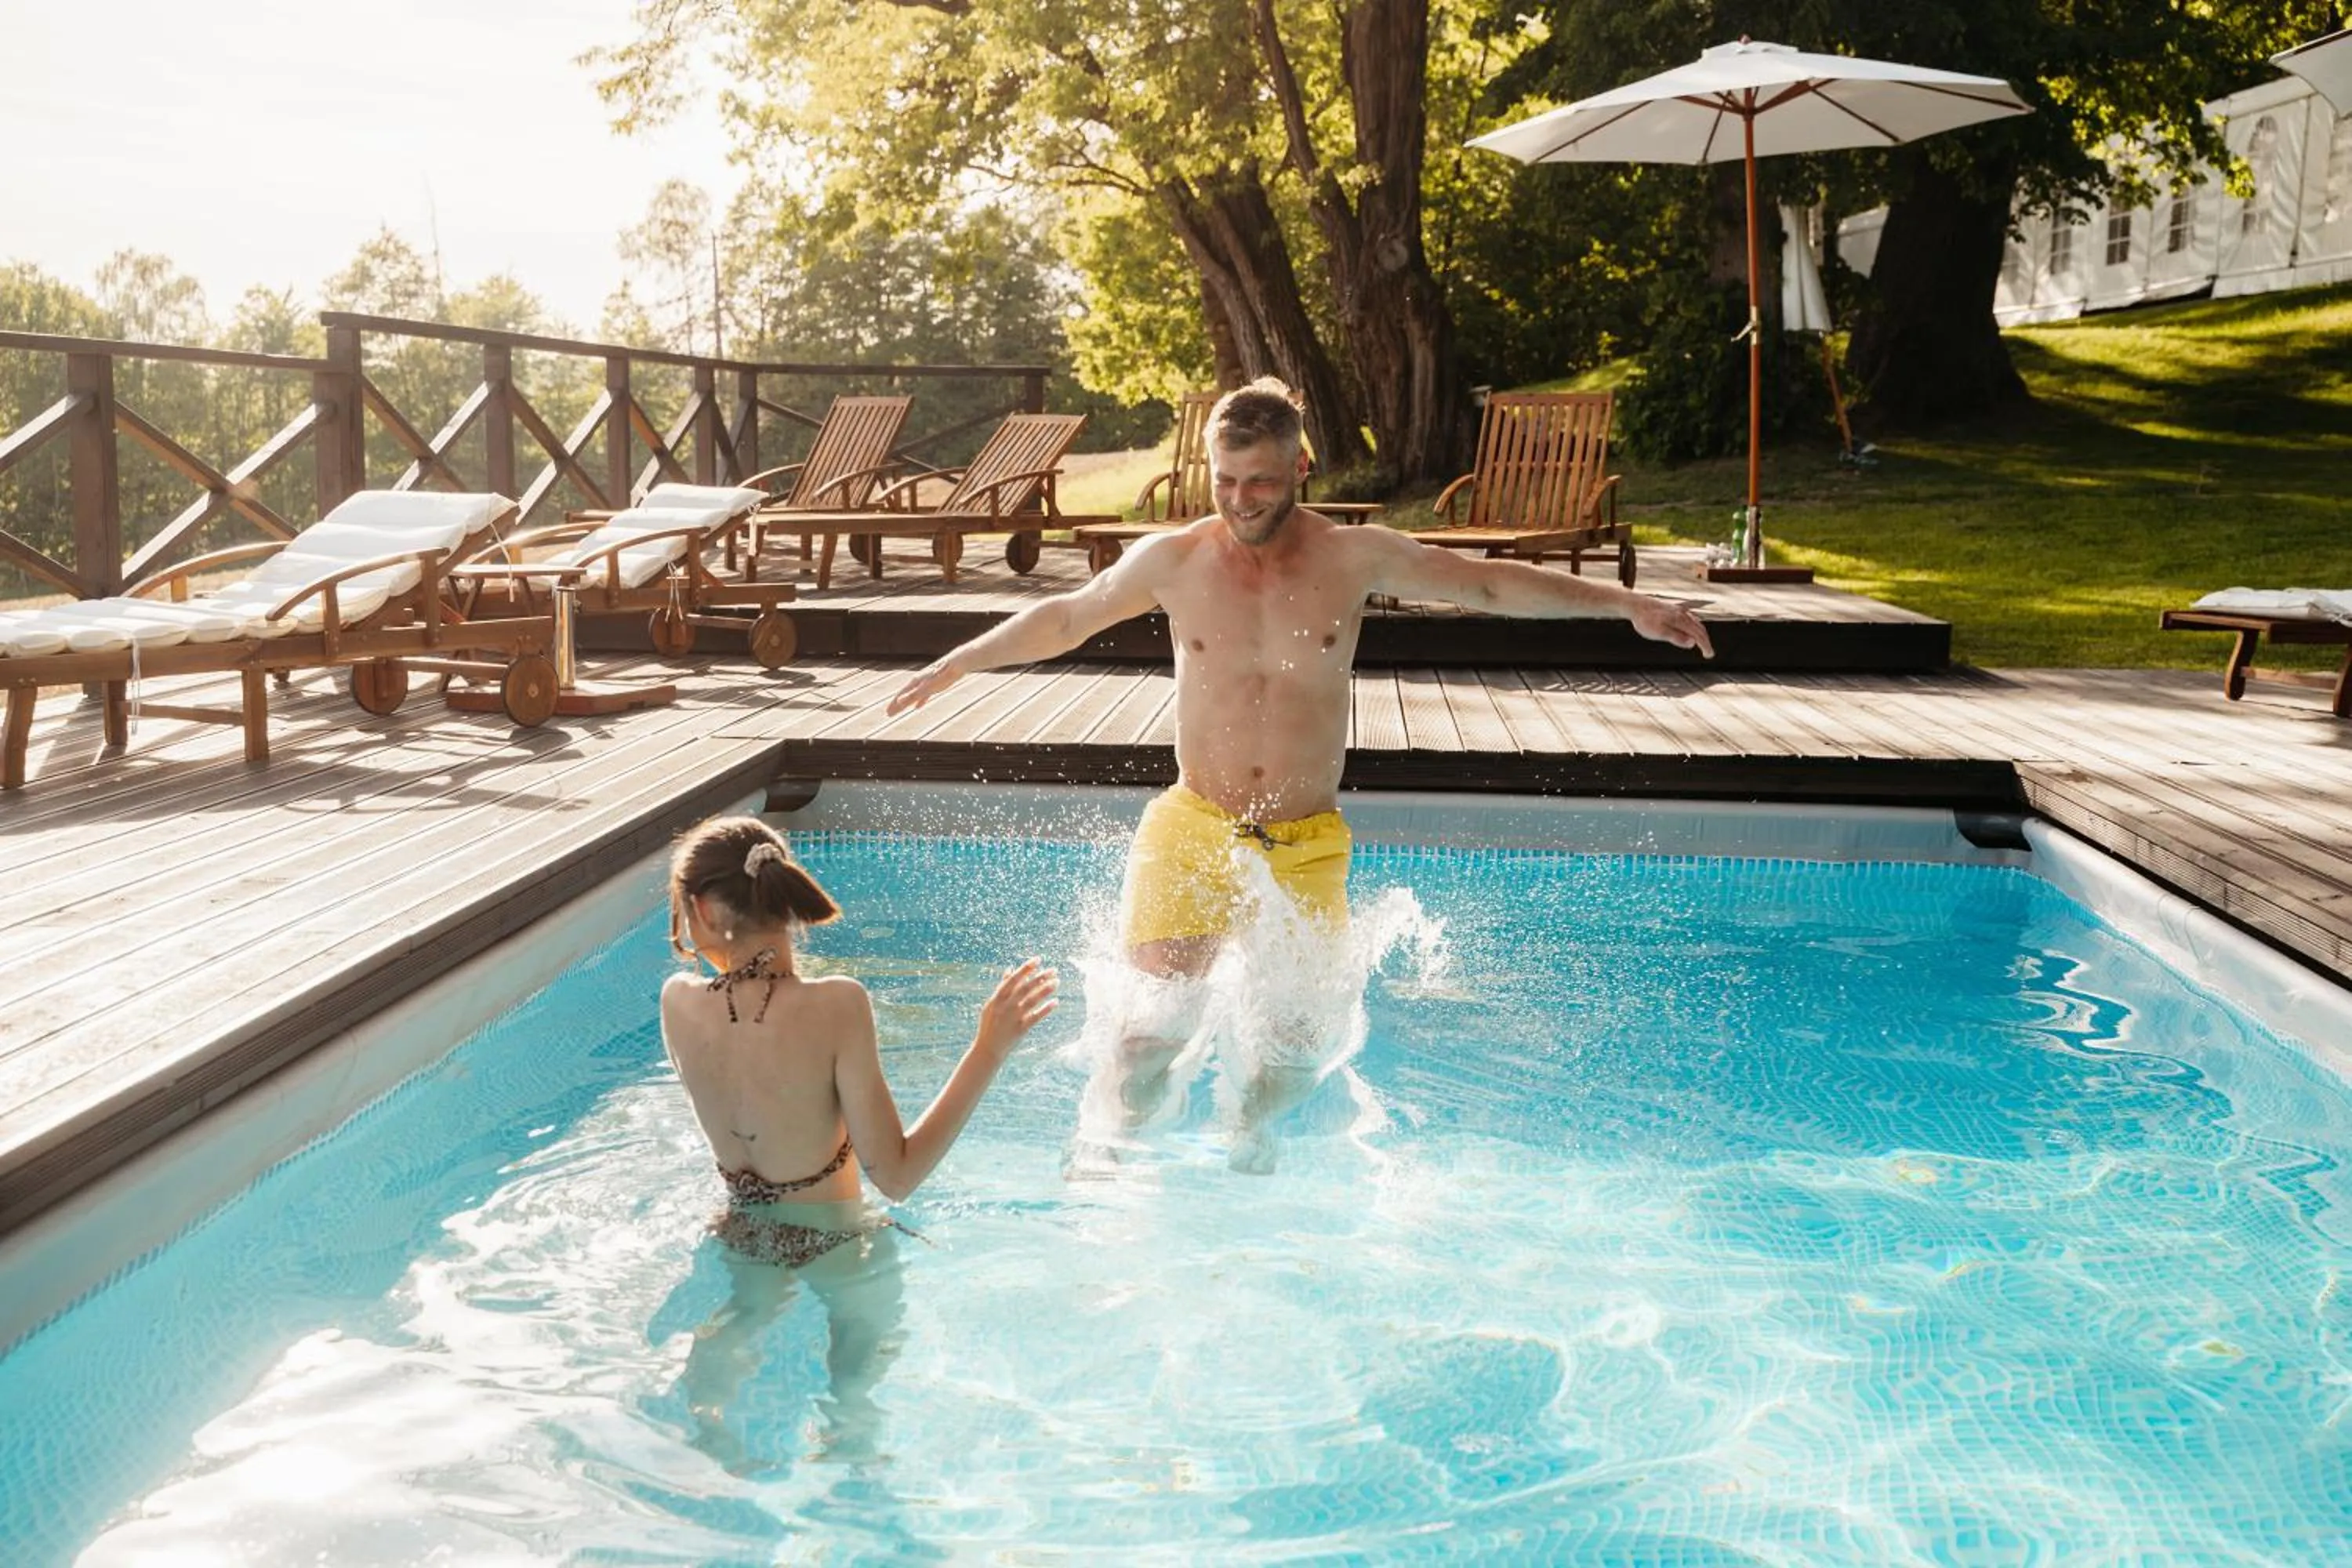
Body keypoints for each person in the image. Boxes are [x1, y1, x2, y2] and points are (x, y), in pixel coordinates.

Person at [886, 379, 1712, 1171]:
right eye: (1226, 481)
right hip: (1195, 823)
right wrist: (959, 662)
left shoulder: (1353, 558)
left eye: (1262, 483)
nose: (1242, 500)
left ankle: (1246, 1134)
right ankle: (1112, 1165)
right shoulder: (1174, 561)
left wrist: (1624, 605)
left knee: (1290, 1056)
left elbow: (1487, 582)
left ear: (1301, 470)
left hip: (1305, 840)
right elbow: (1069, 614)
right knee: (1146, 1040)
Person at [659, 814, 1058, 1463]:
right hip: (840, 1243)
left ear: (700, 908)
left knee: (731, 1342)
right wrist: (988, 1047)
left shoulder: (677, 1003)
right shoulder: (838, 1005)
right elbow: (897, 1177)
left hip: (745, 1235)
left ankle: (711, 1450)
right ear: (782, 899)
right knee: (855, 1392)